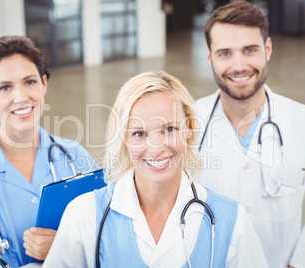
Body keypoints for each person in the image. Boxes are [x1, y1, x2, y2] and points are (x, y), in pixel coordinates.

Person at [43, 71, 268, 267]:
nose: (157, 147)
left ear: (188, 129)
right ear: (124, 139)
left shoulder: (231, 220)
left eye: (169, 129)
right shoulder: (84, 216)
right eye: (139, 133)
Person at [193, 2, 305, 268]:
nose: (239, 65)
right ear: (210, 57)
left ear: (267, 49)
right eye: (225, 53)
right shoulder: (185, 125)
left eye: (249, 50)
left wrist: (300, 264)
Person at [0, 35, 97, 267]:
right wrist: (69, 251)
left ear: (44, 83)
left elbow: (103, 238)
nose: (21, 97)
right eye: (5, 87)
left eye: (30, 82)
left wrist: (64, 244)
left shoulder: (75, 155)